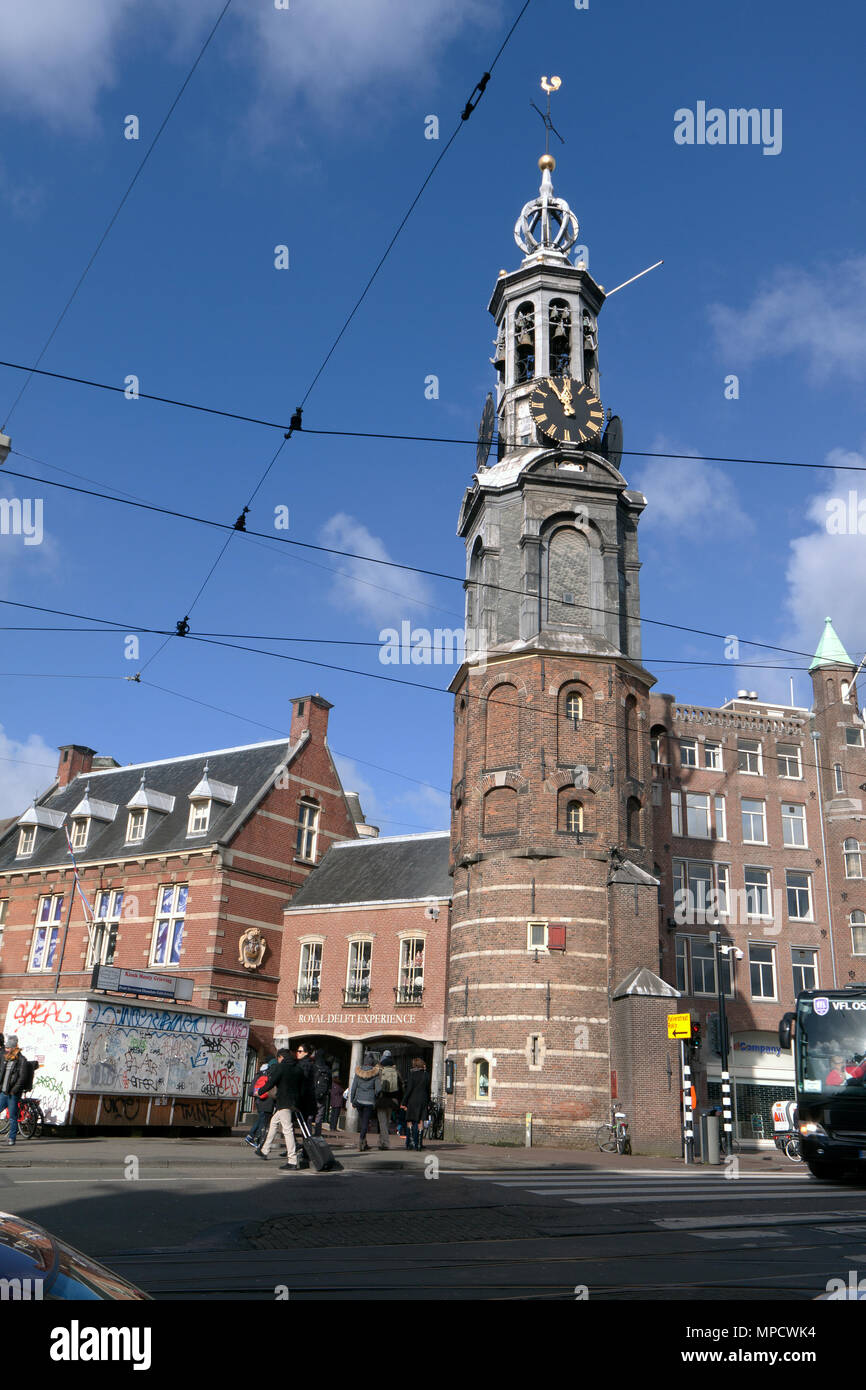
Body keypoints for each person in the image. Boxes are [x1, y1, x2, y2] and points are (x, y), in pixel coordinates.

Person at [254, 1048, 303, 1169]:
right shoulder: (297, 1068)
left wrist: (260, 1090)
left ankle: (292, 1160)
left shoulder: (281, 1068)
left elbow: (271, 1082)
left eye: (278, 1058)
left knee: (287, 1129)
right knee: (274, 1122)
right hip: (294, 1102)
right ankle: (265, 1149)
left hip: (283, 1102)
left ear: (281, 1057)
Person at [0, 1034, 30, 1148]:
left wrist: (14, 1090)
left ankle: (12, 1138)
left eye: (8, 1048)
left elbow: (22, 1078)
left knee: (13, 1116)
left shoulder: (21, 1060)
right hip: (3, 1092)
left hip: (12, 1093)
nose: (6, 1050)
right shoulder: (6, 1059)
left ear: (13, 1048)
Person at [350, 1051, 382, 1152]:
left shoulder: (358, 1072)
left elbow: (353, 1087)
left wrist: (352, 1100)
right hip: (369, 1101)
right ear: (372, 1063)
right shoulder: (375, 1073)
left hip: (358, 1100)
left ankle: (364, 1143)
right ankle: (361, 1142)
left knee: (362, 1120)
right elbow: (378, 1089)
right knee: (365, 1122)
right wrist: (375, 1095)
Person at [401, 1057, 431, 1151]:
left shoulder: (412, 1075)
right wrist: (428, 1102)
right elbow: (428, 1090)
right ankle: (419, 1144)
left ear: (415, 1065)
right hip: (423, 1100)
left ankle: (411, 1142)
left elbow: (409, 1089)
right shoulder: (426, 1075)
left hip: (412, 1100)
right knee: (421, 1121)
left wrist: (404, 1102)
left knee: (409, 1120)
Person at [245, 1059, 276, 1148]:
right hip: (267, 1102)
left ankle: (251, 1136)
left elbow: (251, 1091)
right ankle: (256, 1140)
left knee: (260, 1120)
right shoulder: (270, 1076)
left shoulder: (259, 1076)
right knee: (263, 1123)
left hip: (259, 1101)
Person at [375, 1050, 401, 1150]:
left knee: (382, 1122)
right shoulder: (396, 1072)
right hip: (392, 1100)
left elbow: (376, 1087)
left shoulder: (379, 1071)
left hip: (382, 1099)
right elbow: (400, 1087)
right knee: (387, 1121)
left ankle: (385, 1143)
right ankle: (381, 1141)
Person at [294, 1042, 317, 1127]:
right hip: (306, 1097)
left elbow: (303, 1080)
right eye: (297, 1051)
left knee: (303, 1120)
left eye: (300, 1051)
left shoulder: (304, 1064)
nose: (297, 1053)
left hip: (303, 1098)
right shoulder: (306, 1063)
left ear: (306, 1053)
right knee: (304, 1121)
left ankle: (304, 1139)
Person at [312, 1050, 332, 1136]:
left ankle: (308, 1135)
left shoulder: (313, 1067)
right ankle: (317, 1134)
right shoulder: (327, 1069)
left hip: (312, 1095)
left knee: (309, 1116)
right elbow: (330, 1084)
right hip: (322, 1096)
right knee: (319, 1116)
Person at [329, 1068, 345, 1133]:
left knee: (332, 1115)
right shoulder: (338, 1086)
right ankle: (334, 1127)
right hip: (338, 1102)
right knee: (336, 1115)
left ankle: (331, 1126)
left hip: (333, 1102)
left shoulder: (331, 1085)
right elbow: (341, 1091)